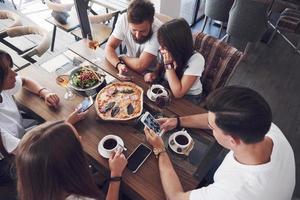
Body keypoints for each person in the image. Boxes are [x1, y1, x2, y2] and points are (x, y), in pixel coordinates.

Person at [144, 86, 296, 200]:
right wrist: (177, 121)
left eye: (211, 127)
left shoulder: (233, 192)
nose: (209, 126)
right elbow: (216, 118)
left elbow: (176, 197)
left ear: (232, 140)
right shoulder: (267, 128)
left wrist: (159, 149)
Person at [16, 120, 127, 200]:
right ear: (69, 164)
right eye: (77, 139)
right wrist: (115, 175)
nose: (80, 138)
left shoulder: (34, 185)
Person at [0, 50, 60, 154]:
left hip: (25, 138)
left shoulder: (3, 89)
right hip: (23, 157)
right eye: (6, 73)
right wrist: (66, 124)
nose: (14, 74)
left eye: (10, 67)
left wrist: (44, 92)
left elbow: (24, 81)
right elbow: (28, 152)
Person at [144, 18, 205, 104]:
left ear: (176, 46)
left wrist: (168, 65)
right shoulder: (165, 51)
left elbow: (178, 93)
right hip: (166, 86)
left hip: (188, 97)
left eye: (164, 46)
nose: (160, 48)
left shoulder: (197, 60)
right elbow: (159, 68)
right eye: (161, 45)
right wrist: (154, 74)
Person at [105, 0, 161, 74]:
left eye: (142, 31)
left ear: (152, 22)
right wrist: (118, 64)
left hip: (151, 74)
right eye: (134, 30)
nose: (137, 36)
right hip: (129, 66)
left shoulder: (159, 31)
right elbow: (109, 46)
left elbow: (140, 66)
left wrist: (122, 58)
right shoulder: (124, 19)